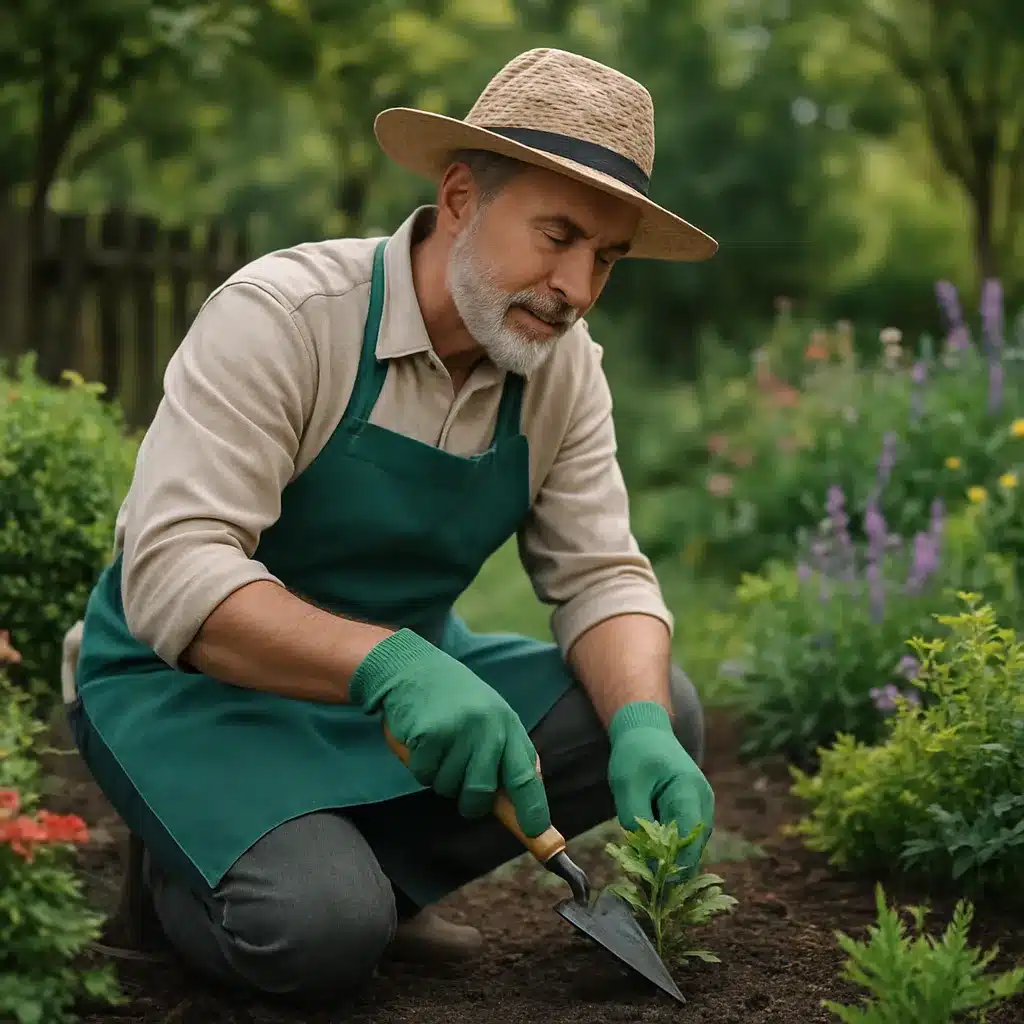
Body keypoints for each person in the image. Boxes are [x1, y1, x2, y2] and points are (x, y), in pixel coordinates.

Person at [64, 46, 719, 1006]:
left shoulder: (563, 367)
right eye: (559, 236)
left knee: (650, 706)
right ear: (459, 197)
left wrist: (645, 726)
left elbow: (601, 577)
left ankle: (365, 877)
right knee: (319, 933)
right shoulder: (285, 317)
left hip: (397, 696)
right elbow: (173, 572)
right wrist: (393, 667)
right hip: (192, 691)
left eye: (606, 258)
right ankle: (193, 885)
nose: (577, 287)